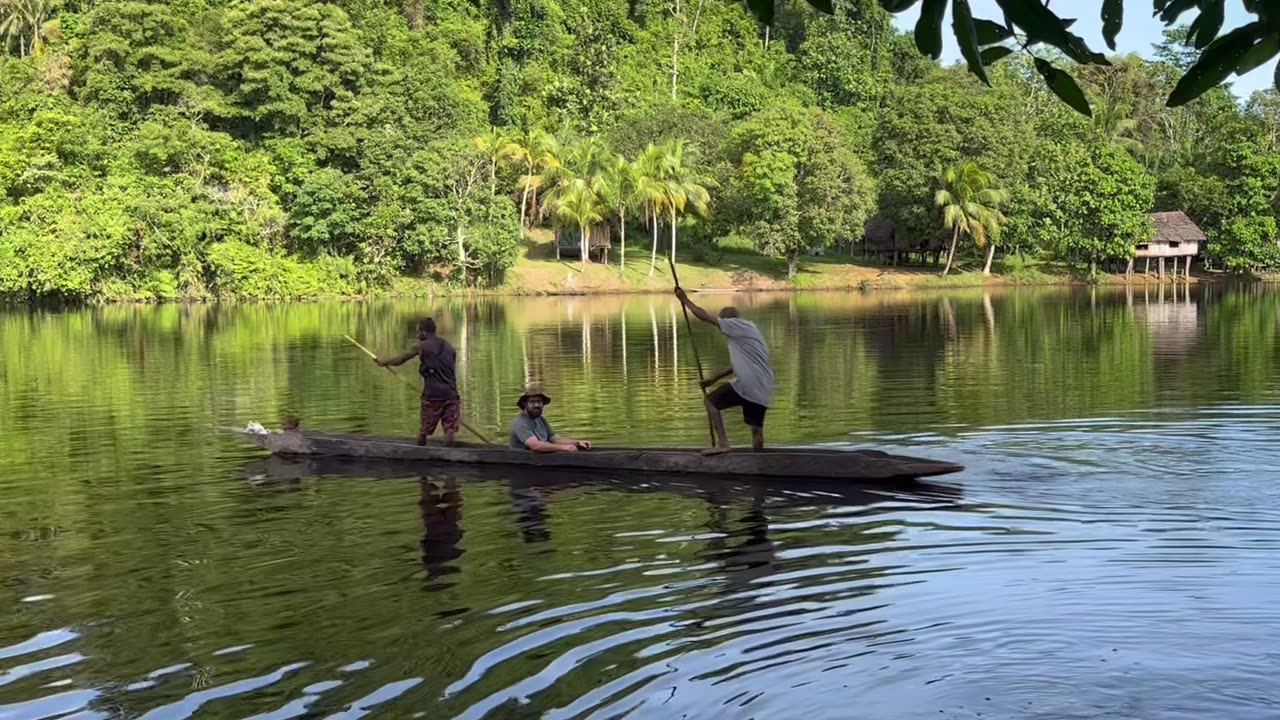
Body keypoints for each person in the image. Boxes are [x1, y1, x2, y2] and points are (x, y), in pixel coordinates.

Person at [674, 287, 774, 454]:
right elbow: (738, 365)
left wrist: (684, 300)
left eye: (721, 324)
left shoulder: (733, 325)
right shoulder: (751, 330)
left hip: (747, 384)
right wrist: (713, 379)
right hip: (763, 386)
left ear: (727, 320)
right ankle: (759, 462)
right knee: (756, 429)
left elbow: (704, 316)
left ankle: (724, 444)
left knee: (711, 402)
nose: (720, 330)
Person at [376, 318, 461, 446]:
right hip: (452, 395)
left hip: (433, 396)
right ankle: (450, 456)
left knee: (424, 432)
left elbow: (401, 359)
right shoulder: (449, 347)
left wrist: (384, 362)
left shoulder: (421, 346)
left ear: (423, 332)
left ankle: (419, 452)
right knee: (449, 431)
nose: (417, 335)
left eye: (418, 332)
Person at [509, 383, 592, 453]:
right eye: (532, 402)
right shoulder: (520, 423)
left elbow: (555, 439)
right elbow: (536, 446)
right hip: (524, 461)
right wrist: (564, 448)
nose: (537, 405)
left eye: (539, 401)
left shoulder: (541, 420)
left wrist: (577, 443)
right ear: (524, 404)